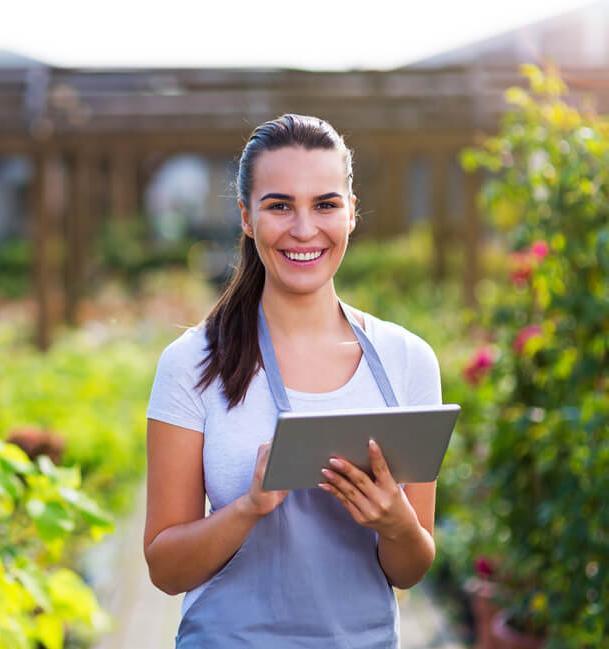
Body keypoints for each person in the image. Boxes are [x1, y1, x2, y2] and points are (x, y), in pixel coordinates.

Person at [143, 114, 441, 648]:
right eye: (279, 205)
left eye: (325, 204)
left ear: (351, 213)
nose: (304, 229)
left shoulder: (407, 362)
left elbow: (410, 569)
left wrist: (395, 524)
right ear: (247, 218)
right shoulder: (192, 363)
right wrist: (248, 508)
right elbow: (165, 569)